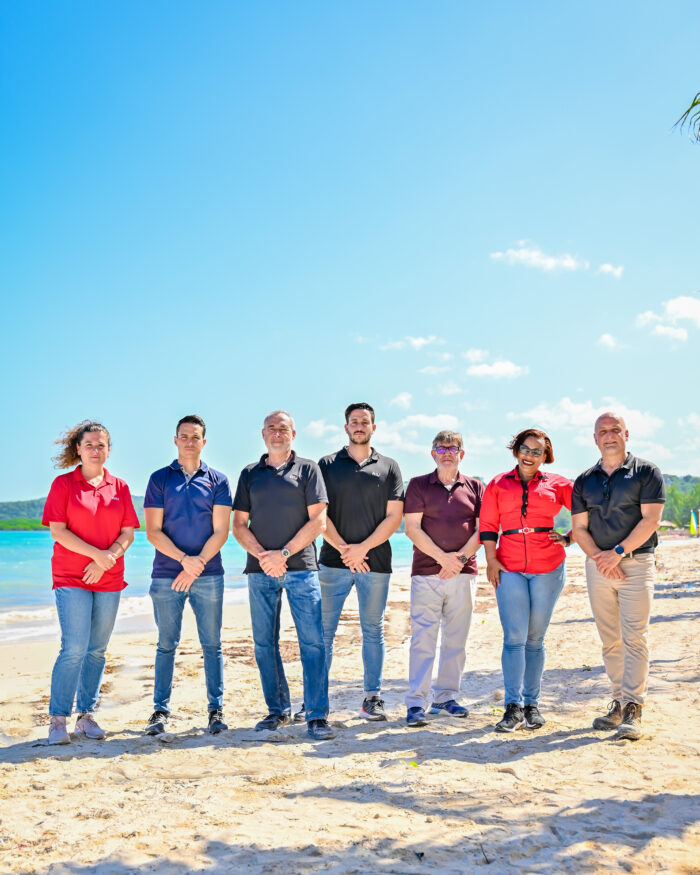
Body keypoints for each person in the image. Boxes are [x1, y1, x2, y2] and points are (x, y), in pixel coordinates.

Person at [232, 410, 335, 741]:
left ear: (294, 433)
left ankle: (317, 715)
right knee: (264, 644)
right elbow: (238, 524)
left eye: (283, 429)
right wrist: (264, 556)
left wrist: (284, 554)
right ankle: (278, 711)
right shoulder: (250, 473)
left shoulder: (308, 469)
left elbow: (318, 521)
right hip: (260, 570)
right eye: (272, 429)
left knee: (312, 644)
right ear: (263, 434)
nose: (278, 433)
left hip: (301, 568)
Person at [42, 421, 140, 744]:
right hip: (71, 576)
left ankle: (85, 716)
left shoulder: (120, 487)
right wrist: (96, 555)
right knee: (74, 647)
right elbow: (58, 531)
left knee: (97, 650)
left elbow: (128, 533)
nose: (96, 450)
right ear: (78, 450)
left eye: (101, 445)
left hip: (110, 577)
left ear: (109, 450)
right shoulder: (63, 485)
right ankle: (58, 719)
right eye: (90, 445)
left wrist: (108, 557)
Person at [571, 412, 665, 741]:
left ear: (627, 433)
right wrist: (600, 557)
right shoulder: (584, 480)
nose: (609, 435)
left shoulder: (647, 472)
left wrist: (618, 553)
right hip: (598, 566)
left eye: (615, 430)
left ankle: (633, 708)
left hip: (636, 563)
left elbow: (651, 520)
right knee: (610, 639)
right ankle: (618, 702)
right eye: (602, 431)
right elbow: (579, 528)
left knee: (634, 638)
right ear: (594, 438)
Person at [313, 403, 404, 722]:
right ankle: (315, 700)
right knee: (323, 631)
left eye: (365, 422)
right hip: (331, 563)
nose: (359, 426)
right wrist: (343, 549)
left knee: (373, 630)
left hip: (375, 562)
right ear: (346, 427)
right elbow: (318, 515)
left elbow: (395, 516)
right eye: (354, 422)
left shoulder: (389, 466)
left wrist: (361, 549)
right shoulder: (326, 465)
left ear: (373, 428)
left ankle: (372, 698)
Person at [143, 415, 232, 736]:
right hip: (167, 576)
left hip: (209, 576)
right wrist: (184, 561)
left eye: (195, 437)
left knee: (212, 645)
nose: (189, 441)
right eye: (184, 436)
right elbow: (153, 531)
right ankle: (159, 711)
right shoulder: (159, 479)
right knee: (167, 644)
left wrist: (197, 564)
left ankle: (216, 710)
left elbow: (222, 531)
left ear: (203, 442)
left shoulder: (218, 480)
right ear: (175, 440)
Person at [480, 428, 573, 733]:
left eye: (538, 451)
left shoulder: (558, 484)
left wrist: (570, 537)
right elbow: (489, 525)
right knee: (514, 637)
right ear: (516, 450)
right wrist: (491, 560)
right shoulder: (497, 483)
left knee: (535, 638)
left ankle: (532, 705)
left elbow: (588, 510)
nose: (530, 456)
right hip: (509, 567)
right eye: (526, 449)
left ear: (545, 456)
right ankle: (512, 706)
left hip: (548, 567)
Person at [403, 430, 483, 727]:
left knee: (456, 640)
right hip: (426, 574)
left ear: (462, 454)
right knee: (423, 638)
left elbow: (483, 530)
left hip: (465, 574)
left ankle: (445, 697)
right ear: (432, 453)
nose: (447, 452)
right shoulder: (418, 485)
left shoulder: (475, 486)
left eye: (453, 448)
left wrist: (459, 560)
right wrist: (443, 560)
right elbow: (412, 528)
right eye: (441, 447)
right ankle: (415, 703)